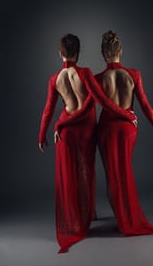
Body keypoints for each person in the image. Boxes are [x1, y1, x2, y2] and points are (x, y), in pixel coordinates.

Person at [38, 33, 137, 253]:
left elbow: (48, 110)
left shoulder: (55, 79)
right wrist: (127, 114)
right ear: (79, 52)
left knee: (71, 174)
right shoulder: (85, 74)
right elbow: (101, 100)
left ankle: (78, 219)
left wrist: (45, 132)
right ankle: (88, 214)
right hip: (86, 129)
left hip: (65, 130)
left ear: (60, 52)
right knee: (87, 170)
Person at [95, 30, 153, 236]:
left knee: (112, 175)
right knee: (124, 170)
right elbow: (146, 106)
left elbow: (88, 108)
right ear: (121, 51)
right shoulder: (134, 74)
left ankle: (121, 218)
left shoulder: (98, 78)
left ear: (103, 54)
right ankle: (128, 217)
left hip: (106, 129)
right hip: (129, 128)